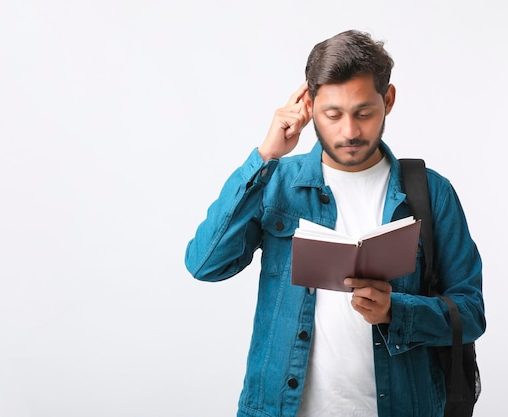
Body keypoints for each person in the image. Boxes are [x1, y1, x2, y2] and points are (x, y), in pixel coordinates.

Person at [184, 29, 485, 417]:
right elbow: (206, 264)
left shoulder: (431, 192)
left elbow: (471, 312)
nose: (350, 132)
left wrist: (397, 311)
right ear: (308, 104)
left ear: (388, 101)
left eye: (364, 113)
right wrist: (265, 157)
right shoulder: (276, 183)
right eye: (333, 114)